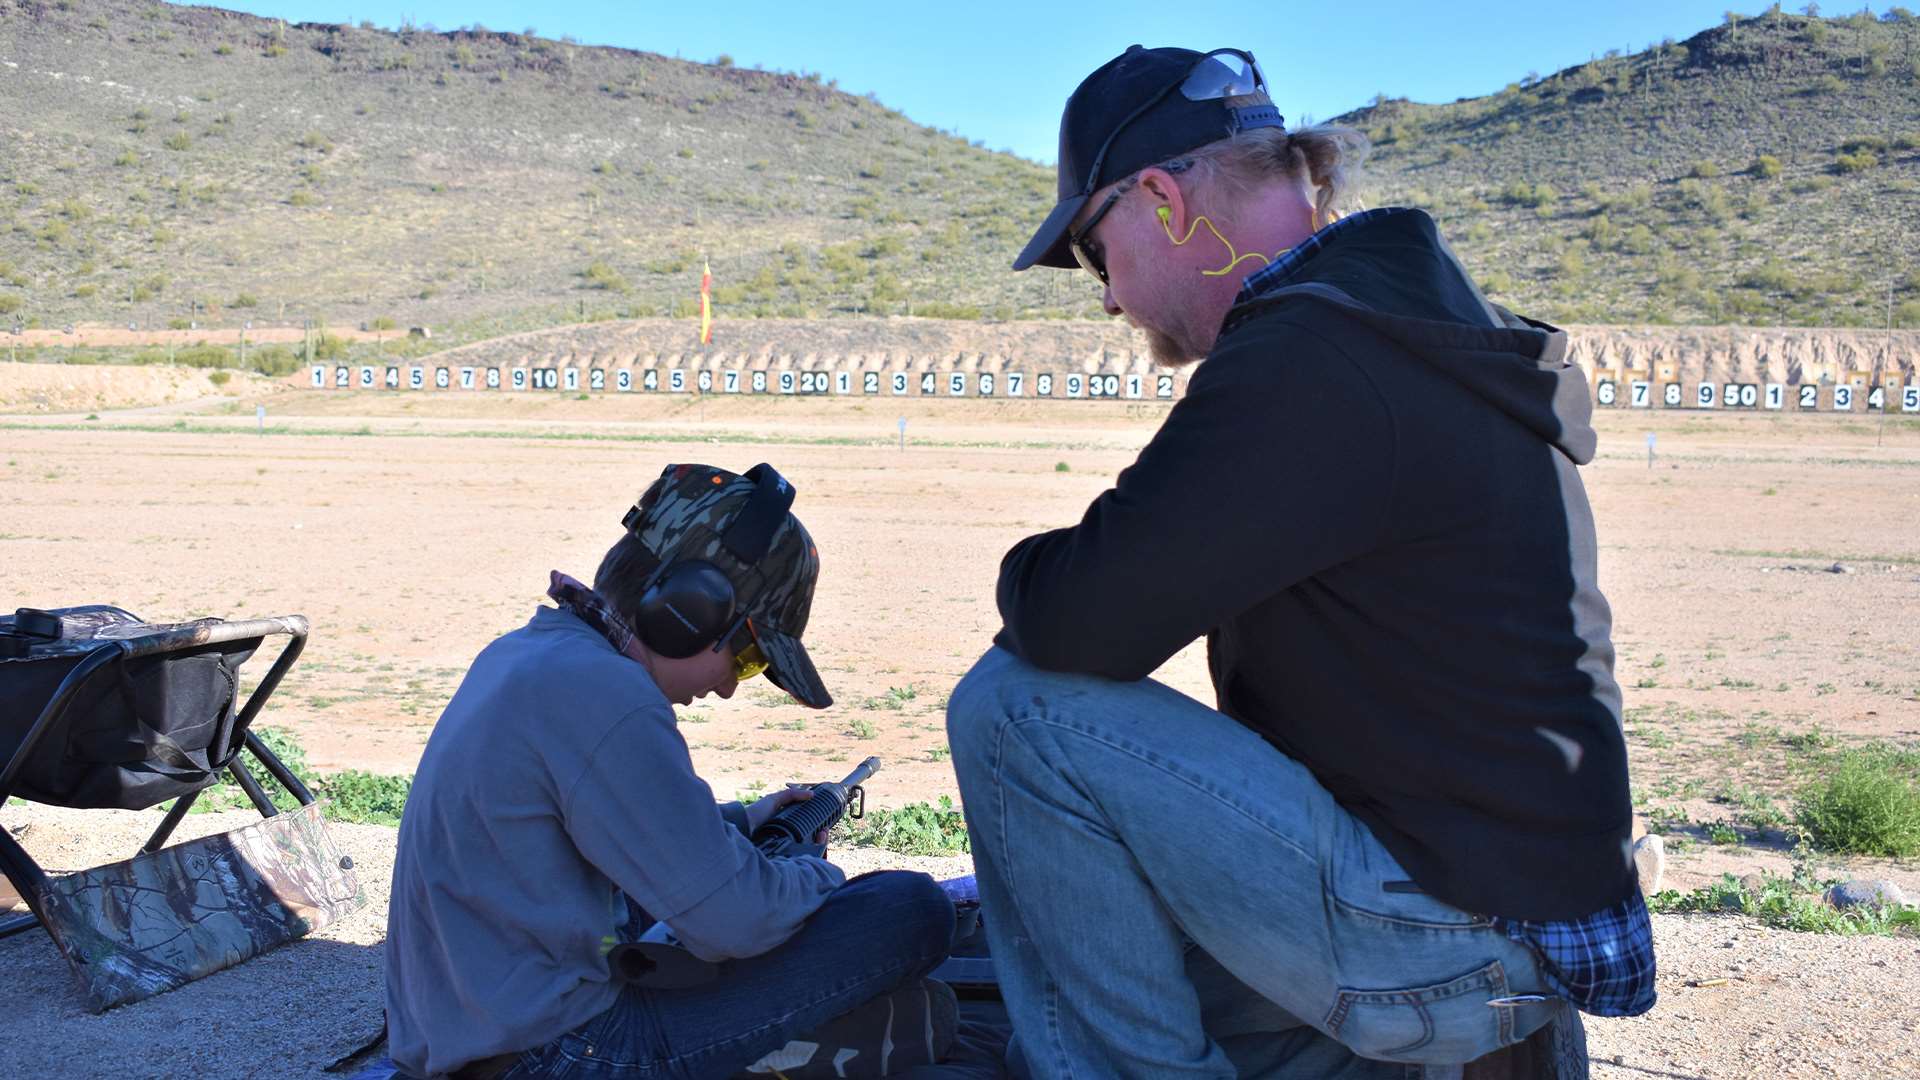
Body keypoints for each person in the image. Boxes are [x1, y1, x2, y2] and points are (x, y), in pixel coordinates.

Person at [945, 46, 1656, 1078]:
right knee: (1104, 976)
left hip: (1455, 942)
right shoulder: (1402, 322)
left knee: (1015, 710)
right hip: (1512, 912)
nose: (1108, 301)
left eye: (1098, 256)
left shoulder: (1312, 357)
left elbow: (1075, 619)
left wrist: (1021, 567)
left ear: (1159, 199)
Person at [386, 462, 956, 1080]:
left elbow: (576, 834)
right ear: (688, 612)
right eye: (744, 657)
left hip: (483, 1033)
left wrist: (743, 821)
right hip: (560, 1053)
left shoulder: (530, 654)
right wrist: (811, 871)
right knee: (910, 909)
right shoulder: (608, 696)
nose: (731, 689)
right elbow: (736, 920)